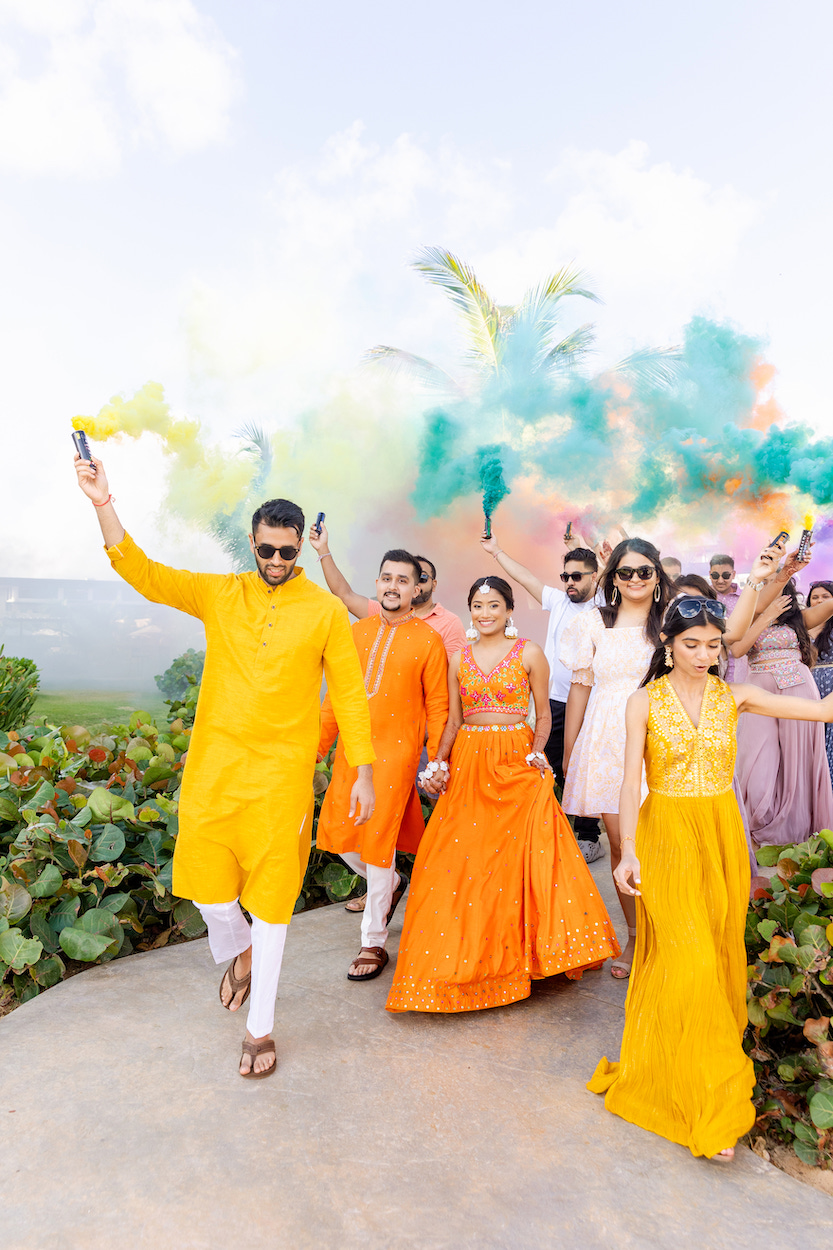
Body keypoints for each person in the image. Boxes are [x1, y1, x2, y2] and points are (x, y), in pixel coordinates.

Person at [74, 453, 375, 1079]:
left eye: (287, 551)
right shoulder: (221, 592)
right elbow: (145, 573)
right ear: (253, 541)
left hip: (281, 779)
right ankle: (239, 950)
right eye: (266, 550)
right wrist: (103, 502)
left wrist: (364, 772)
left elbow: (348, 696)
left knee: (273, 903)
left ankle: (260, 1027)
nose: (276, 561)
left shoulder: (324, 611)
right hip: (216, 770)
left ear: (300, 546)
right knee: (211, 891)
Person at [589, 596, 833, 1160]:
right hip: (666, 837)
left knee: (717, 956)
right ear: (669, 646)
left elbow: (822, 714)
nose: (703, 655)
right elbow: (628, 783)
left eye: (713, 645)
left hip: (721, 837)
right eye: (691, 645)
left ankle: (699, 1071)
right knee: (689, 959)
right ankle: (709, 1101)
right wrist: (627, 854)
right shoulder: (643, 702)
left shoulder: (736, 696)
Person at [386, 576, 619, 1013]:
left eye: (494, 605)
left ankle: (526, 960)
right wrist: (438, 762)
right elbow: (454, 720)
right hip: (470, 763)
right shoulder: (458, 658)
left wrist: (537, 753)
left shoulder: (530, 653)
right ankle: (460, 966)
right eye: (478, 605)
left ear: (509, 610)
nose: (485, 613)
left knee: (522, 855)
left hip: (516, 759)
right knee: (459, 857)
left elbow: (545, 714)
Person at [316, 550, 448, 981]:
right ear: (377, 584)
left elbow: (439, 706)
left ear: (416, 589)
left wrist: (437, 760)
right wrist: (316, 748)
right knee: (340, 835)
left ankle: (373, 941)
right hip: (353, 753)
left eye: (402, 580)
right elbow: (337, 697)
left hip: (396, 756)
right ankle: (389, 883)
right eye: (386, 578)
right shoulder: (356, 633)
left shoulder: (429, 641)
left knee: (377, 843)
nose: (393, 586)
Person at [559, 538, 674, 979]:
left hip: (659, 734)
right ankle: (635, 935)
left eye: (644, 571)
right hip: (606, 736)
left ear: (657, 576)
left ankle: (668, 934)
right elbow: (580, 688)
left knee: (662, 838)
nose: (635, 579)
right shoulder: (594, 621)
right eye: (625, 572)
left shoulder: (671, 620)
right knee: (620, 840)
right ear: (613, 577)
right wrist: (570, 749)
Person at [480, 527, 607, 863]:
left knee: (584, 767)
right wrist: (496, 551)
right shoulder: (559, 601)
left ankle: (589, 837)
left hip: (593, 703)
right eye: (565, 576)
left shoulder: (605, 603)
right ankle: (543, 829)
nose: (569, 583)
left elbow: (614, 571)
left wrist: (586, 545)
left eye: (577, 576)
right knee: (544, 764)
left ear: (594, 577)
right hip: (554, 703)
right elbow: (524, 578)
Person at [731, 578, 833, 846]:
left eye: (775, 584)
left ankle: (797, 831)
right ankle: (759, 826)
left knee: (798, 760)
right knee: (757, 761)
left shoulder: (799, 618)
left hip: (797, 687)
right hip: (757, 690)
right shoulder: (744, 619)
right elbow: (737, 650)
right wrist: (766, 616)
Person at [307, 521, 467, 659]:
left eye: (422, 578)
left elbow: (453, 673)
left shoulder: (450, 623)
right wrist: (323, 550)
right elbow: (345, 595)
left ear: (433, 584)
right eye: (389, 579)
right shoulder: (383, 613)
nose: (394, 586)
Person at [808, 580, 833, 785]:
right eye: (815, 597)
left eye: (825, 596)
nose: (819, 600)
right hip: (807, 687)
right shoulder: (802, 627)